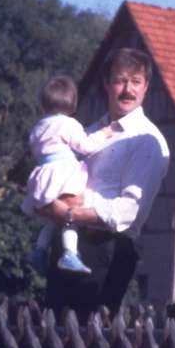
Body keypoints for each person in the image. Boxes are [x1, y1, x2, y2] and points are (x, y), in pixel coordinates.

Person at [39, 48, 171, 317]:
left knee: (86, 335)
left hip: (107, 249)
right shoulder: (88, 133)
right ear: (106, 84)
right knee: (53, 331)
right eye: (121, 80)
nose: (128, 90)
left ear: (146, 87)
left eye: (136, 82)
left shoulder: (147, 140)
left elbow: (128, 212)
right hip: (69, 243)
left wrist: (68, 214)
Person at [21, 75, 113, 275]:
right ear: (72, 103)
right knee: (69, 216)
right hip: (62, 173)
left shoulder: (38, 127)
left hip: (43, 174)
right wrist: (103, 134)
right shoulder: (68, 124)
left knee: (53, 219)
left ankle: (40, 249)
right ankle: (70, 253)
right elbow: (86, 146)